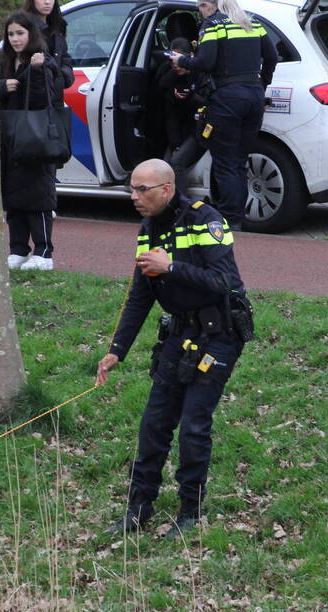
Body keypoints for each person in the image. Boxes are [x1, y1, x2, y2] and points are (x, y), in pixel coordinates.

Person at [96, 158, 254, 539]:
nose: (134, 197)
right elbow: (139, 296)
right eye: (131, 189)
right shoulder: (148, 228)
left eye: (142, 190)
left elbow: (223, 280)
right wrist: (118, 349)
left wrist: (171, 268)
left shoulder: (206, 220)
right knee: (154, 423)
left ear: (166, 189)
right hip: (179, 334)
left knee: (194, 426)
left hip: (220, 333)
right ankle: (139, 508)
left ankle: (190, 511)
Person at [170, 0, 277, 231]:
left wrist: (181, 60)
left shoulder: (212, 25)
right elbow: (272, 57)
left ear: (214, 4)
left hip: (227, 100)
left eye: (202, 4)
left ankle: (229, 219)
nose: (200, 9)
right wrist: (262, 85)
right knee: (239, 161)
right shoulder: (251, 22)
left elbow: (205, 62)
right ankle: (236, 216)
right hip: (254, 98)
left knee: (226, 163)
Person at [0, 11, 63, 271]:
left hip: (36, 139)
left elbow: (45, 97)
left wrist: (35, 72)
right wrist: (3, 85)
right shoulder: (3, 61)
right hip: (11, 138)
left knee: (38, 196)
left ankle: (44, 251)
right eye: (11, 34)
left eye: (20, 33)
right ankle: (17, 249)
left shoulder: (42, 60)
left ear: (30, 34)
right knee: (13, 197)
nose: (15, 39)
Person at [154, 37, 212, 192]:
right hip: (179, 130)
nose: (175, 63)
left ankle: (184, 207)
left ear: (191, 57)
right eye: (172, 59)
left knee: (175, 164)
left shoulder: (203, 74)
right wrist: (175, 143)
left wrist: (192, 97)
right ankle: (170, 208)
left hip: (200, 130)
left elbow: (211, 105)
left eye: (179, 59)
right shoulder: (169, 75)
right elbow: (170, 113)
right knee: (165, 169)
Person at [23, 0, 75, 98]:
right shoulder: (24, 26)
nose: (47, 2)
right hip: (32, 97)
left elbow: (65, 58)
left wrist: (61, 77)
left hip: (56, 97)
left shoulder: (58, 26)